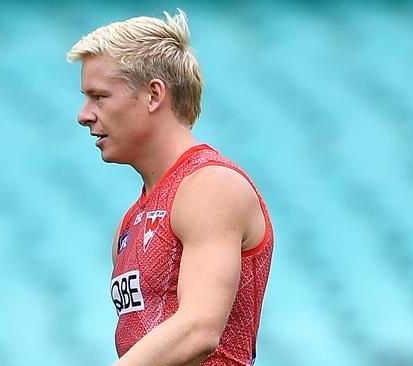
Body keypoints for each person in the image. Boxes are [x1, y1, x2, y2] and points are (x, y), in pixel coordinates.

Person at [67, 9, 274, 366]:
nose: (83, 114)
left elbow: (198, 330)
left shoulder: (210, 185)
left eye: (99, 96)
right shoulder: (130, 223)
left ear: (153, 95)